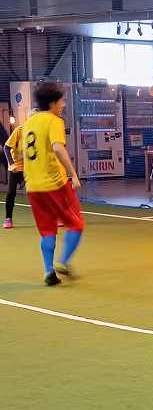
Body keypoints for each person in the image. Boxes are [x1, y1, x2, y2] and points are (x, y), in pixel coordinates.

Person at [17, 82, 83, 286]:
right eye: (61, 101)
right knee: (76, 224)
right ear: (53, 103)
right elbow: (57, 148)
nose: (63, 104)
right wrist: (73, 174)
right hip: (55, 184)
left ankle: (48, 270)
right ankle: (62, 261)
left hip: (33, 186)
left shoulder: (29, 122)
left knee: (47, 230)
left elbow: (22, 152)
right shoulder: (54, 121)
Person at [4, 123, 24, 229]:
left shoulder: (38, 133)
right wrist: (12, 164)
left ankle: (52, 217)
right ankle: (8, 218)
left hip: (30, 168)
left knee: (41, 192)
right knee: (11, 192)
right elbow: (6, 148)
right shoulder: (19, 131)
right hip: (15, 167)